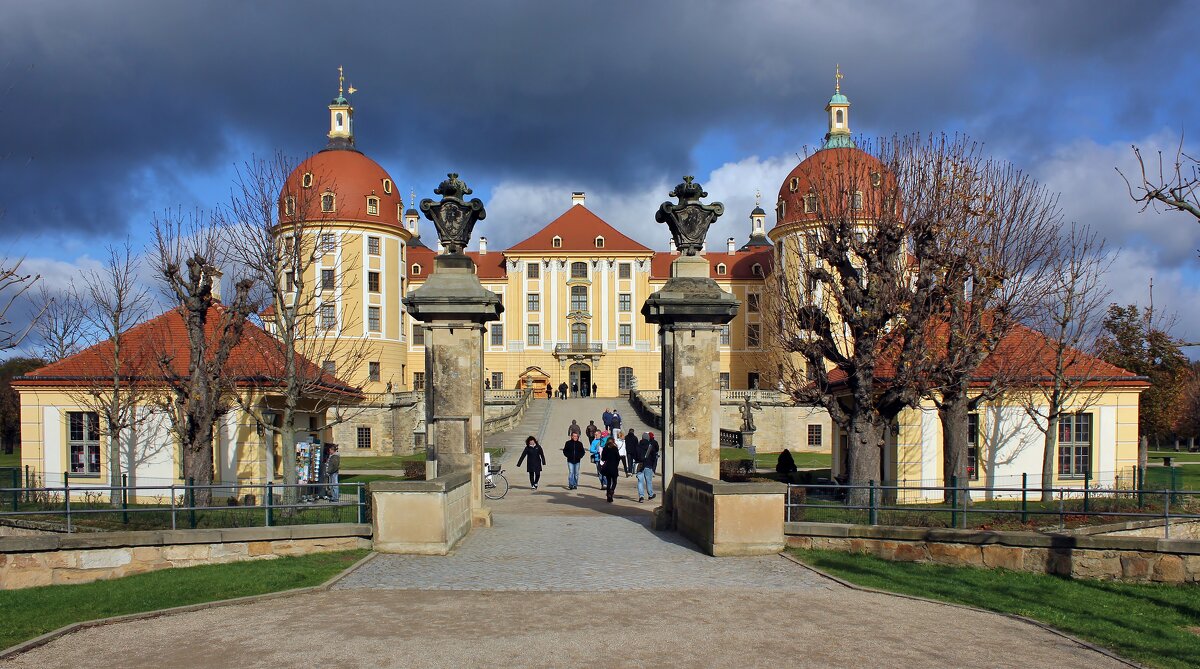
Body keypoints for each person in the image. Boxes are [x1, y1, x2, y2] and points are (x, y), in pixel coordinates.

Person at [637, 431, 659, 502]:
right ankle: (650, 494)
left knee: (640, 481)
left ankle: (641, 496)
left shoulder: (638, 445)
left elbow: (635, 455)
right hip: (648, 465)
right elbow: (653, 457)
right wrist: (653, 465)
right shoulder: (650, 446)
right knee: (648, 481)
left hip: (640, 465)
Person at [600, 435, 622, 502]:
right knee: (614, 481)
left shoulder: (605, 448)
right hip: (614, 467)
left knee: (608, 481)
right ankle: (612, 491)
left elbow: (603, 458)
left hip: (607, 467)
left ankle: (608, 496)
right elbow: (618, 458)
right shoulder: (615, 448)